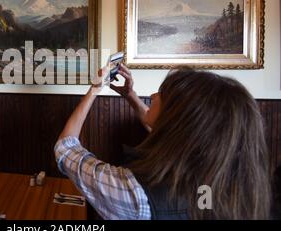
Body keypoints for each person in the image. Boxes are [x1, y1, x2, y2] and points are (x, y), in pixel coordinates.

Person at [54, 64, 272, 219]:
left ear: (176, 117)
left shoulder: (132, 193)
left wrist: (94, 89)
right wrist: (130, 95)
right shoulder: (227, 185)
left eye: (161, 94)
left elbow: (65, 149)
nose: (153, 95)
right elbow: (162, 130)